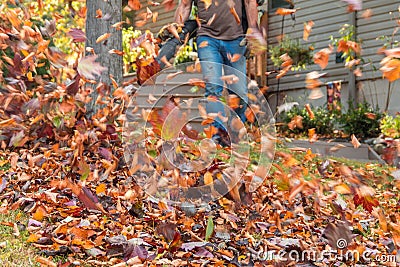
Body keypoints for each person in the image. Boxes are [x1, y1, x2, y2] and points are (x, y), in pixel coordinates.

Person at [175, 0, 263, 146]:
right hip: (207, 39)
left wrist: (253, 29)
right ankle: (218, 136)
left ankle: (235, 135)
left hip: (236, 40)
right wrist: (175, 30)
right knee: (213, 87)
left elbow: (249, 2)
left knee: (239, 92)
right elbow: (184, 5)